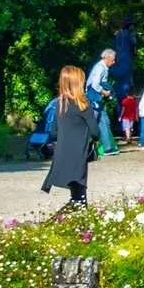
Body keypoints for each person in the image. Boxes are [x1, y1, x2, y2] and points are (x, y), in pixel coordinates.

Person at [42, 65, 96, 208]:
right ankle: (75, 224)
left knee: (76, 194)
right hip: (79, 153)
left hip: (62, 153)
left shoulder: (60, 104)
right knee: (80, 197)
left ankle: (74, 222)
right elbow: (96, 132)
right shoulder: (83, 105)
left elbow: (53, 133)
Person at [86, 49, 119, 154]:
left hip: (98, 99)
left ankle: (107, 148)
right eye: (113, 60)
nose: (113, 62)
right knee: (92, 122)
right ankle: (84, 147)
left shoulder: (103, 67)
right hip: (93, 98)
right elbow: (95, 85)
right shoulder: (99, 68)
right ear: (108, 58)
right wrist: (104, 92)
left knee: (104, 121)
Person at [111, 18, 138, 108]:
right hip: (127, 61)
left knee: (119, 85)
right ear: (130, 26)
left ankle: (118, 109)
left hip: (117, 61)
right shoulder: (130, 34)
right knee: (126, 84)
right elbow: (134, 45)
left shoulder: (118, 34)